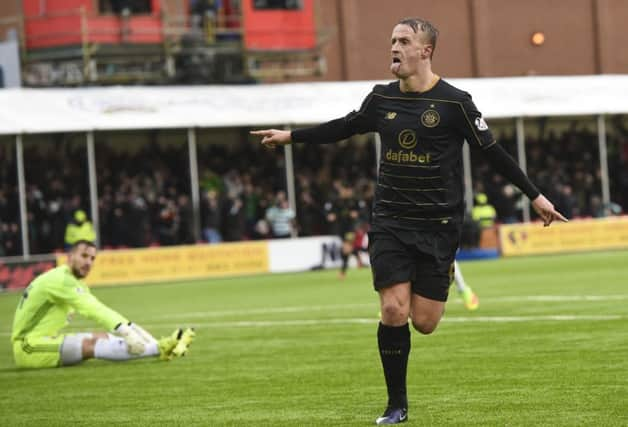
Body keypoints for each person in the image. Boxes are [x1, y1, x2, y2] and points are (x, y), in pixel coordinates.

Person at [251, 17, 567, 425]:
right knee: (393, 311)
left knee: (426, 323)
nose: (394, 48)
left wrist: (535, 196)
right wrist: (292, 137)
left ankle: (445, 271)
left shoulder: (456, 103)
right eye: (392, 41)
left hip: (438, 227)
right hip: (390, 222)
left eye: (403, 41)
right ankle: (396, 405)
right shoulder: (380, 99)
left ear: (425, 51)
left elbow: (493, 154)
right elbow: (343, 128)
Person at [11, 240, 195, 369]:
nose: (88, 262)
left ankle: (160, 347)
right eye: (84, 256)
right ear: (70, 256)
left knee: (102, 336)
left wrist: (133, 330)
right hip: (28, 347)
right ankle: (158, 348)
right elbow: (95, 310)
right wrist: (127, 332)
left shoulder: (69, 280)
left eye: (92, 259)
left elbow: (100, 309)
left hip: (44, 340)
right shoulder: (61, 281)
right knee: (90, 345)